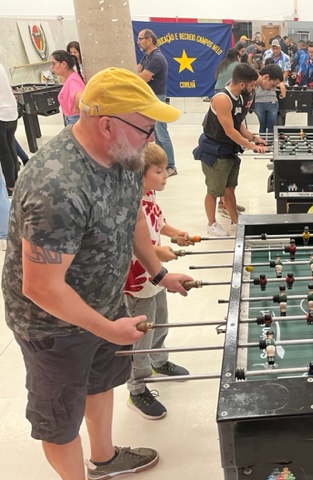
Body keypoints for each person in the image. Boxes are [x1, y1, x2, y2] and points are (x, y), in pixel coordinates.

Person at [2, 67, 192, 480]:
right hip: (53, 326)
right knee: (60, 418)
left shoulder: (126, 156)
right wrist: (108, 329)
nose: (152, 139)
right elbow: (41, 287)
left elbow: (133, 217)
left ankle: (104, 459)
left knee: (100, 382)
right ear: (106, 124)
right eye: (145, 129)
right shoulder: (57, 187)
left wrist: (158, 274)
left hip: (105, 304)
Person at [125, 143, 194, 420]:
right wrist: (157, 252)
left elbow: (158, 222)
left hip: (156, 275)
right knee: (140, 335)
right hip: (137, 280)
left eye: (165, 169)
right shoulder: (130, 202)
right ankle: (137, 388)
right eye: (158, 171)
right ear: (140, 175)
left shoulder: (149, 194)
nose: (166, 175)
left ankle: (159, 360)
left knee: (161, 320)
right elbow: (129, 243)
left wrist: (175, 234)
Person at [193, 63, 268, 237]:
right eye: (251, 85)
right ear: (242, 84)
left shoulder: (239, 97)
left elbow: (238, 124)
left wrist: (253, 138)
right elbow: (229, 130)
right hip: (215, 151)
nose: (253, 89)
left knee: (229, 188)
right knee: (214, 191)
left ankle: (235, 221)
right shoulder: (222, 99)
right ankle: (211, 224)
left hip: (229, 149)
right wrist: (251, 146)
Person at [137, 28, 177, 177]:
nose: (138, 42)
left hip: (157, 98)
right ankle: (162, 163)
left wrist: (142, 75)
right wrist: (141, 74)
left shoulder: (156, 58)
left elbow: (141, 78)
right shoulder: (147, 57)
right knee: (157, 135)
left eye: (140, 39)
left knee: (162, 133)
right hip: (151, 98)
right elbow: (138, 72)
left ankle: (171, 165)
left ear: (149, 40)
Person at [50, 50, 85, 126]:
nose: (51, 67)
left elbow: (80, 97)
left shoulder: (72, 81)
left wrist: (76, 108)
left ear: (63, 64)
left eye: (53, 63)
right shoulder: (70, 78)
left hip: (75, 119)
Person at [0, 63, 19, 195]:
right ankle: (15, 182)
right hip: (11, 112)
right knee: (10, 147)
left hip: (2, 114)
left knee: (4, 152)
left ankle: (11, 186)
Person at [253, 63, 285, 135]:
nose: (272, 89)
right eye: (273, 85)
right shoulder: (246, 85)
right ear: (266, 77)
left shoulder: (252, 87)